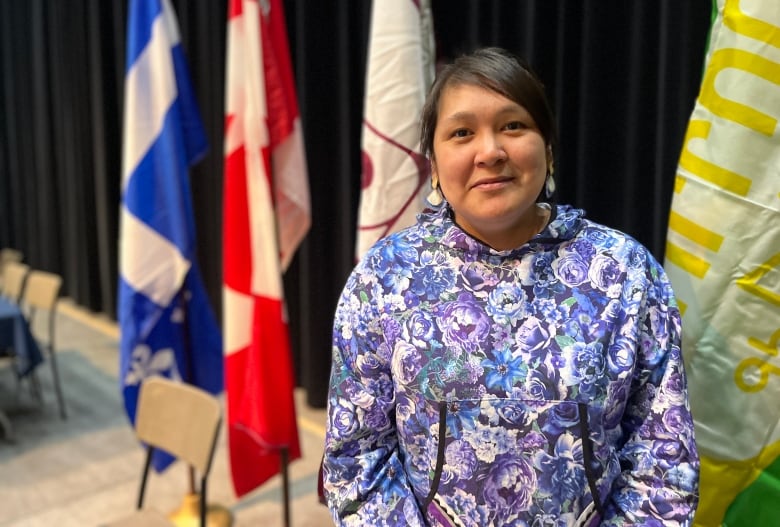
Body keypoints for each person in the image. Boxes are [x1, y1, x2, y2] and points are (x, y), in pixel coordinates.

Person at [322, 47, 699, 526]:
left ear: (549, 148)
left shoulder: (625, 272)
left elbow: (663, 459)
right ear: (434, 165)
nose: (490, 152)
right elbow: (357, 461)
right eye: (462, 133)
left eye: (513, 126)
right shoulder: (383, 279)